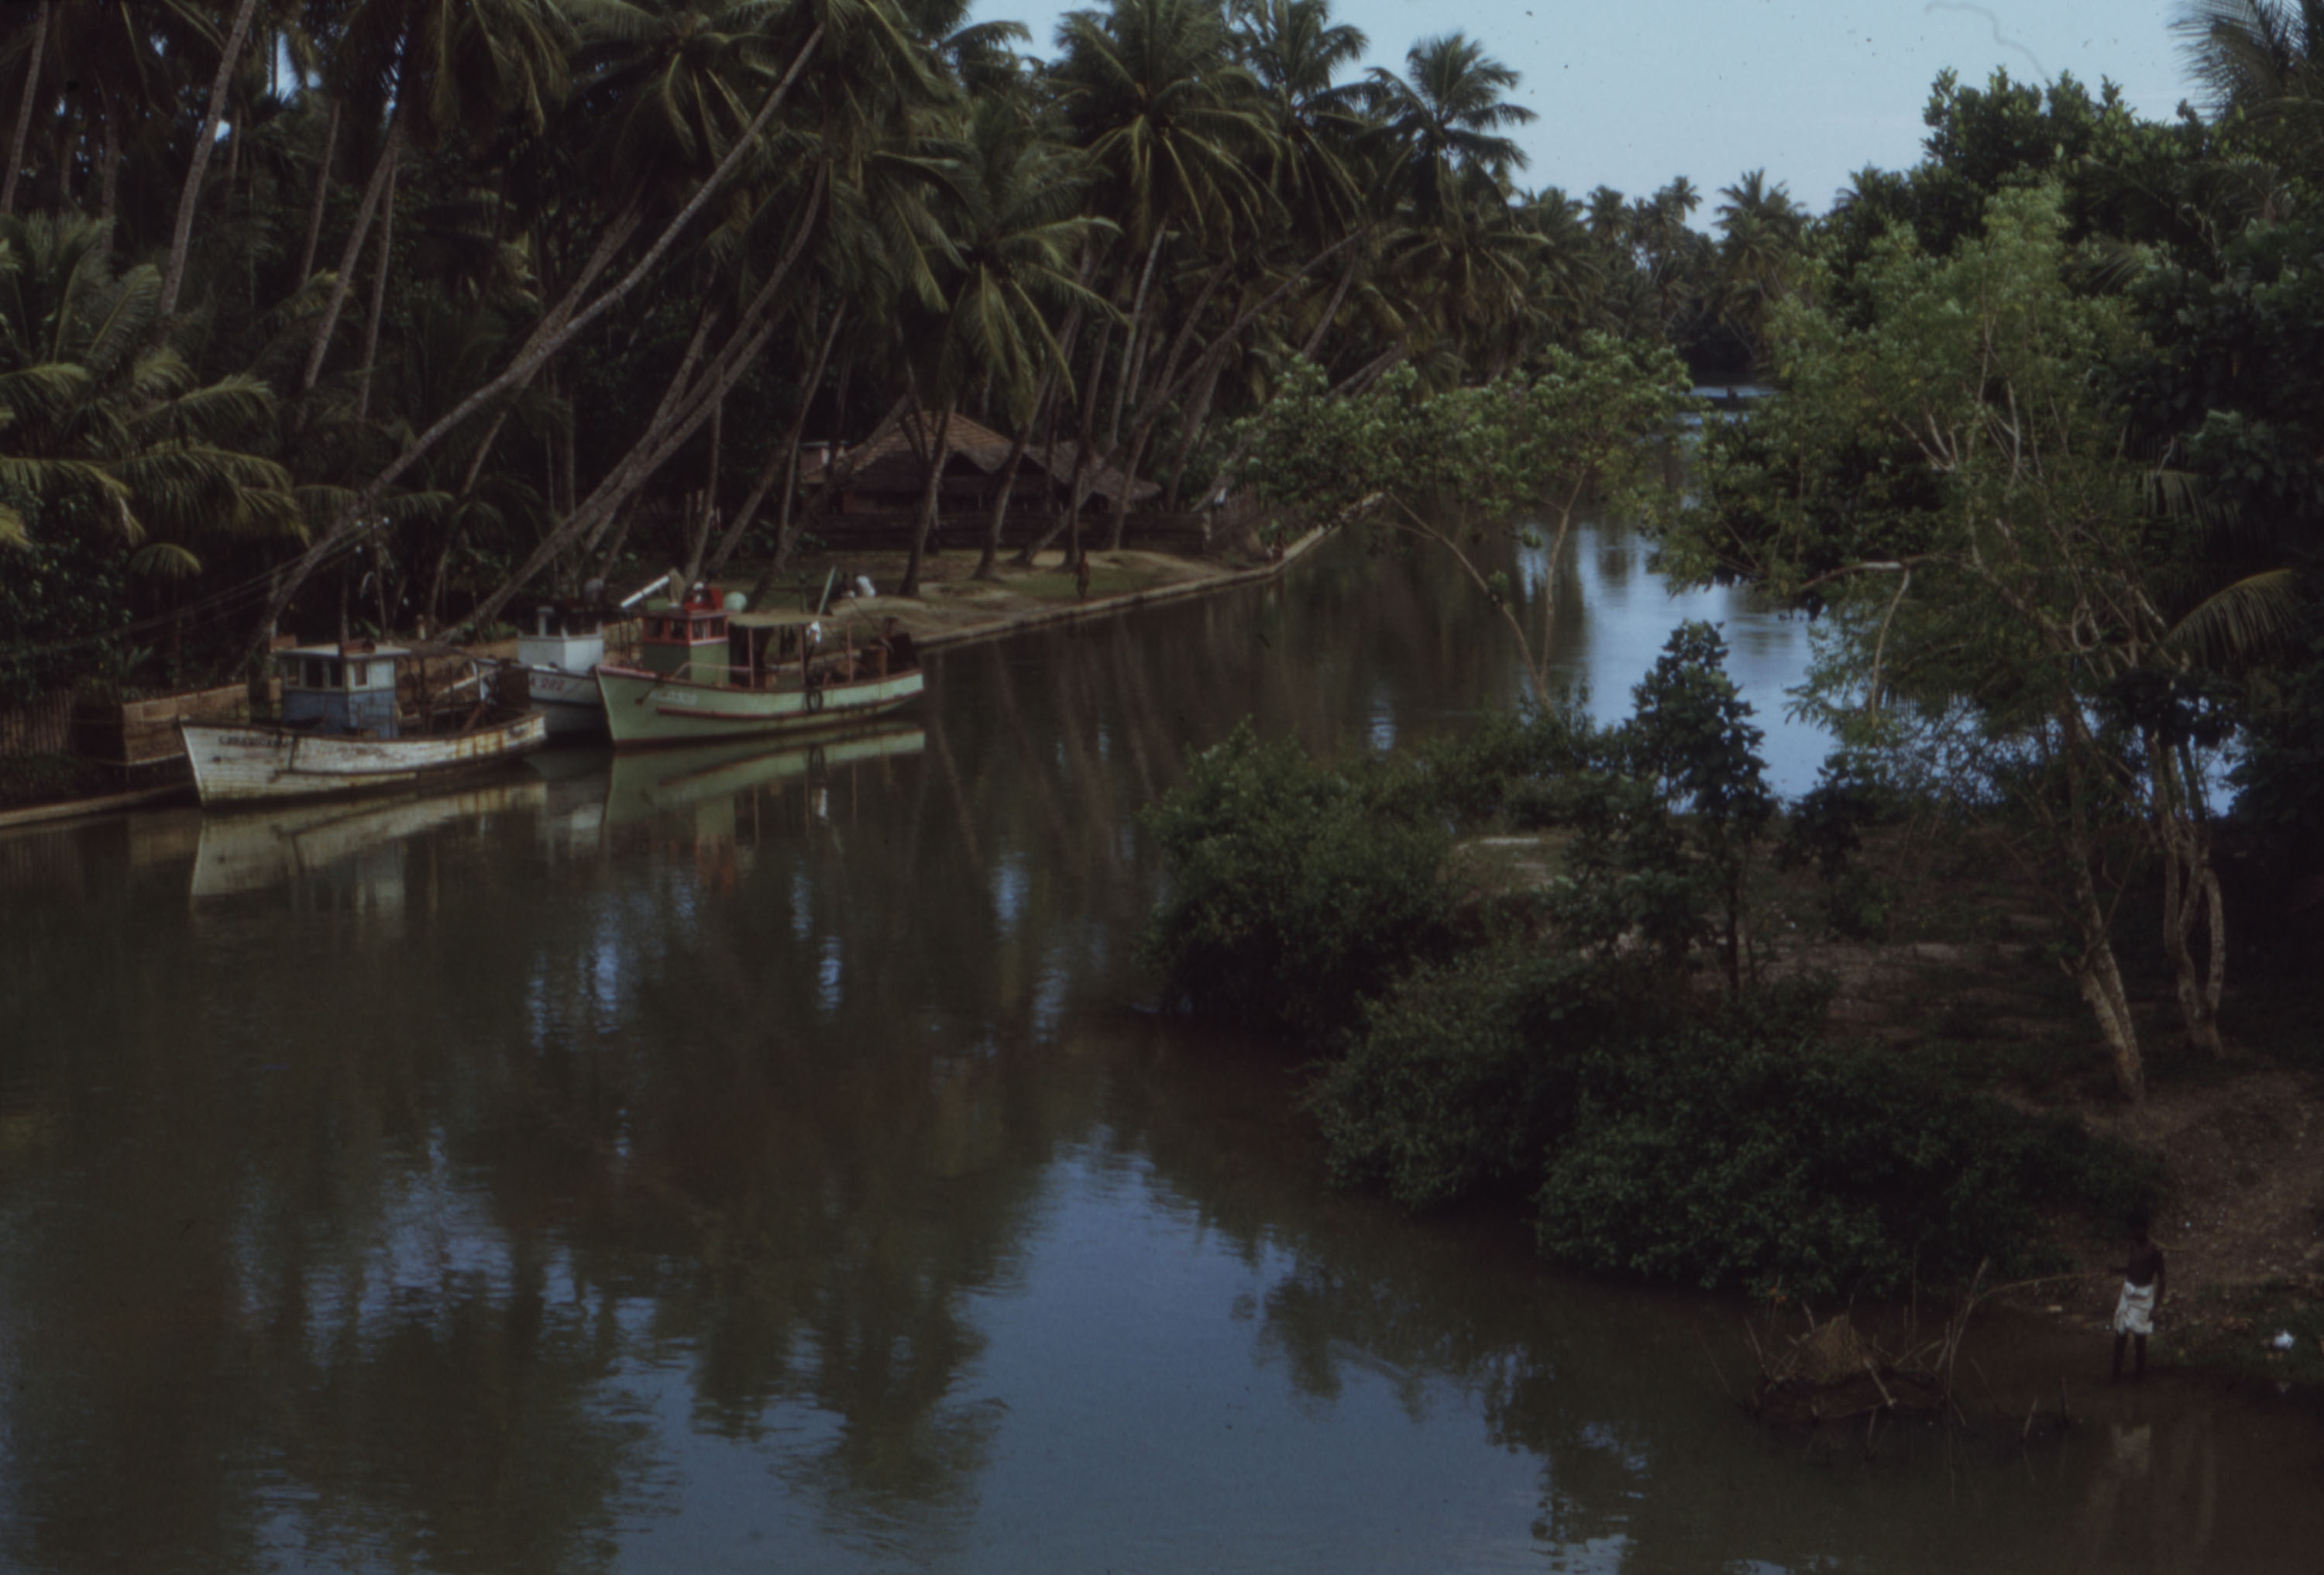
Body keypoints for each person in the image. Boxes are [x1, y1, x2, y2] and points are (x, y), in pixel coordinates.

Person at [2111, 1212, 2166, 1381]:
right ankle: (2115, 1376)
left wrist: (2155, 1307)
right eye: (2132, 1230)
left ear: (2145, 1229)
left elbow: (2162, 1279)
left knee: (2140, 1339)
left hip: (2143, 1296)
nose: (2134, 1234)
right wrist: (2117, 1270)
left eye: (2137, 1230)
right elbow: (2132, 1269)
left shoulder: (2155, 1250)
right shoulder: (2133, 1245)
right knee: (2120, 1335)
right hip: (2128, 1293)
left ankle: (2139, 1379)